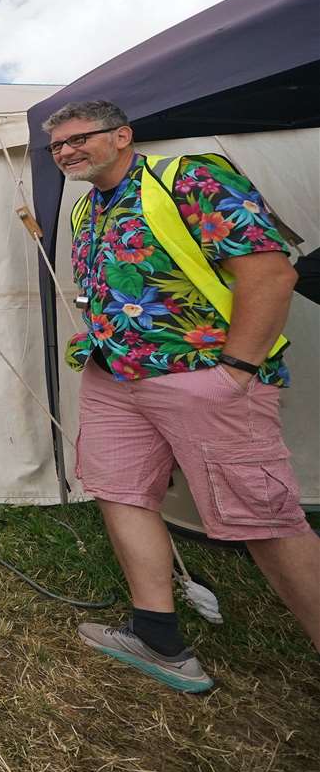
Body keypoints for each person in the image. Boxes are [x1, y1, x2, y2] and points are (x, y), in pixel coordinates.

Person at [44, 99, 319, 692]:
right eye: (57, 146)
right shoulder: (86, 209)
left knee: (262, 517)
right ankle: (157, 636)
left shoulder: (190, 175)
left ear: (122, 135)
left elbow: (271, 273)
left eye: (78, 138)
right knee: (120, 492)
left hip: (201, 376)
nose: (66, 152)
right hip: (114, 378)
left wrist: (236, 371)